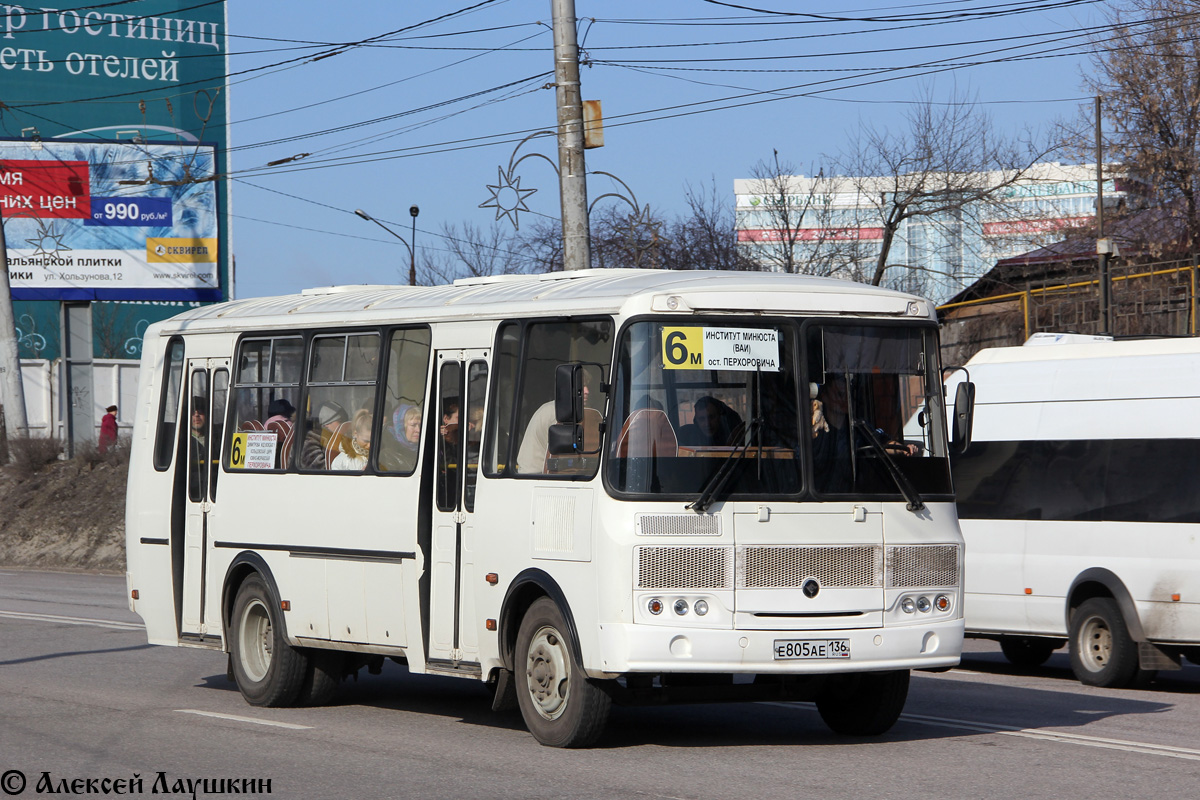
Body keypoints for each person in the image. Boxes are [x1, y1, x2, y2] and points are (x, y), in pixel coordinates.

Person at [300, 400, 350, 470]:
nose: (343, 425)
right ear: (326, 424)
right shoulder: (309, 441)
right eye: (340, 421)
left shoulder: (338, 438)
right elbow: (320, 468)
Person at [677, 396, 742, 447]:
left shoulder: (732, 436)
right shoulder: (686, 437)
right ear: (696, 420)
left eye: (711, 417)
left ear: (719, 417)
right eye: (702, 419)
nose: (707, 424)